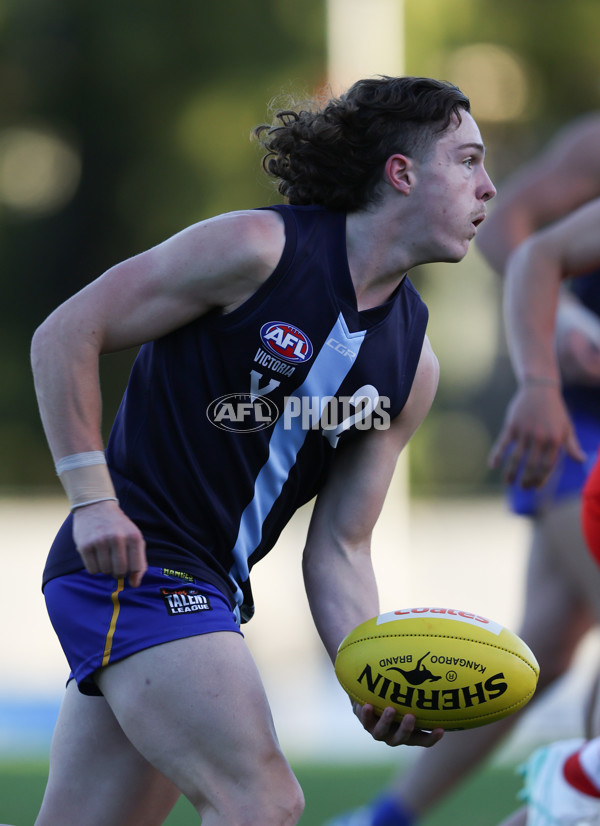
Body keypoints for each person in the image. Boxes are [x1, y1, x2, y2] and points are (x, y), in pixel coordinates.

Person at [27, 75, 496, 826]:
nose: (489, 187)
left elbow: (341, 547)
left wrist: (367, 675)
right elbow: (64, 334)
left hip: (207, 592)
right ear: (402, 174)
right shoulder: (257, 250)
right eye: (469, 161)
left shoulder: (414, 366)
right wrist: (92, 498)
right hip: (133, 570)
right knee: (263, 801)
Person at [323, 114, 600, 826]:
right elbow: (523, 235)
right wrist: (560, 327)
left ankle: (388, 817)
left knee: (548, 647)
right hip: (573, 426)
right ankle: (571, 795)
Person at [489, 196, 600, 826]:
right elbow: (530, 246)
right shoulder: (587, 148)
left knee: (548, 645)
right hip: (581, 446)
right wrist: (540, 381)